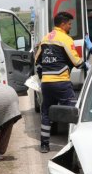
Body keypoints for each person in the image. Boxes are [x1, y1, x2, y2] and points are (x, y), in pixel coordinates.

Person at [34, 12, 84, 153]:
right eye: (69, 24)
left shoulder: (45, 39)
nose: (70, 26)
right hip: (61, 82)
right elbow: (77, 62)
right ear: (62, 24)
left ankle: (44, 145)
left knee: (46, 113)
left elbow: (37, 61)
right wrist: (88, 65)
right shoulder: (65, 39)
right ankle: (74, 145)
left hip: (47, 84)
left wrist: (42, 76)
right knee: (72, 112)